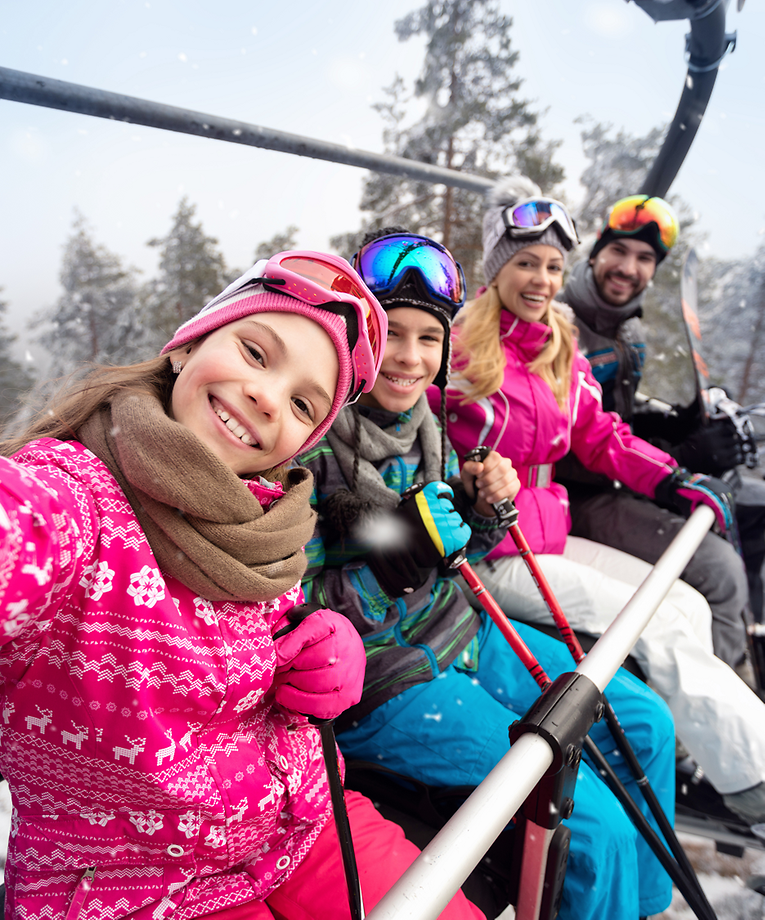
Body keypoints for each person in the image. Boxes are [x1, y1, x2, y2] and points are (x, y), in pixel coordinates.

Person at [0, 251, 486, 920]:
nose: (265, 395)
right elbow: (18, 529)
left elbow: (295, 616)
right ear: (188, 342)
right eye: (256, 352)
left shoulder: (267, 513)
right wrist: (378, 580)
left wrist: (328, 641)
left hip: (307, 818)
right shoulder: (73, 500)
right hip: (137, 885)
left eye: (301, 402)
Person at [298, 229, 678, 920]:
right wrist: (386, 570)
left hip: (462, 631)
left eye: (427, 339)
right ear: (354, 336)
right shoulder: (310, 442)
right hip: (385, 677)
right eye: (391, 336)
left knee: (645, 722)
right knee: (594, 825)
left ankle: (638, 906)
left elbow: (452, 555)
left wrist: (481, 513)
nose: (409, 359)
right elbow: (289, 612)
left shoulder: (423, 422)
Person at [440, 177, 765, 829]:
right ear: (498, 266)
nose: (540, 280)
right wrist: (465, 481)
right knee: (654, 621)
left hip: (545, 532)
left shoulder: (557, 344)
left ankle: (696, 747)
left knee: (684, 599)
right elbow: (417, 440)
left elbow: (599, 435)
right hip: (491, 548)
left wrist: (673, 478)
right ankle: (753, 775)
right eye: (526, 262)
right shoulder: (457, 348)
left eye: (553, 267)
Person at [555, 193, 764, 674]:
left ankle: (745, 648)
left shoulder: (626, 331)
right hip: (578, 495)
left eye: (644, 258)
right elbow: (562, 442)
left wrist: (675, 423)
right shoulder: (561, 327)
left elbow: (613, 414)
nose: (628, 268)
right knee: (720, 571)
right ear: (595, 253)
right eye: (619, 251)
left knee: (749, 510)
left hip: (618, 478)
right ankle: (730, 703)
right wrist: (682, 453)